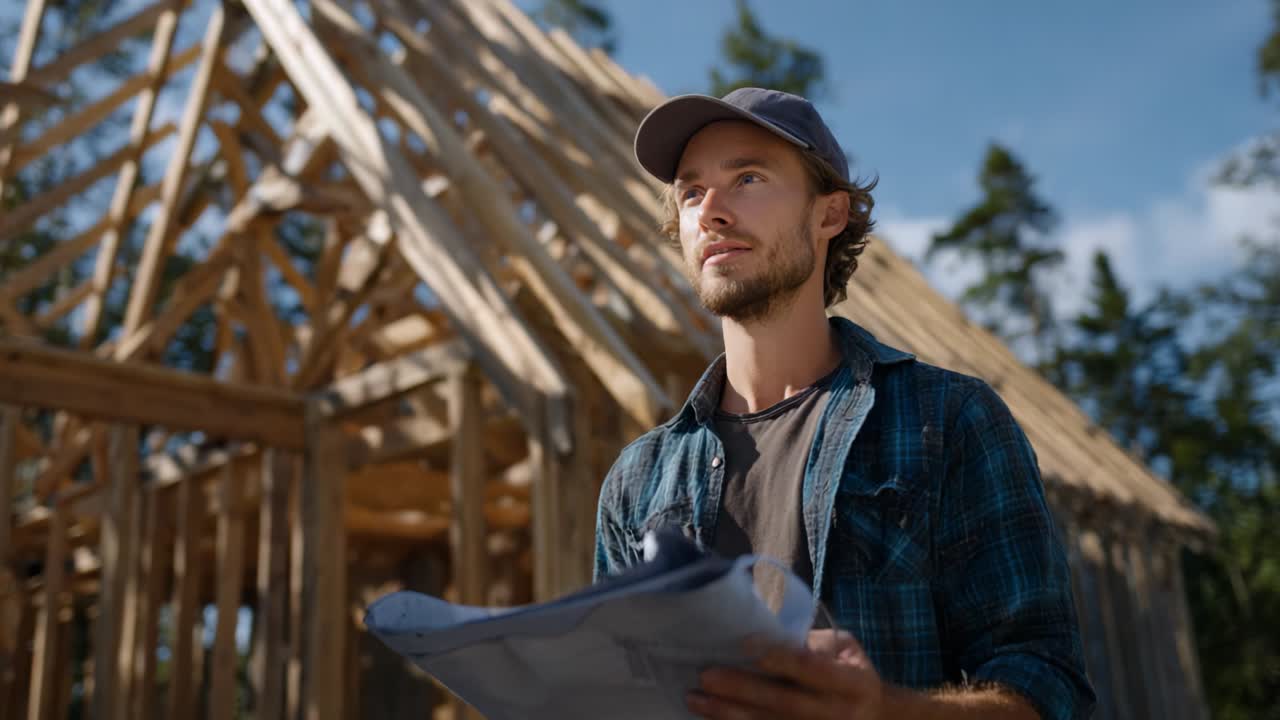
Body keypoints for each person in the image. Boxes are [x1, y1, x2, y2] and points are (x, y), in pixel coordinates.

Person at [592, 87, 1096, 720]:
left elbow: (1047, 687)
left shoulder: (949, 420)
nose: (711, 211)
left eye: (747, 178)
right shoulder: (636, 484)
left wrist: (884, 711)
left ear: (829, 214)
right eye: (691, 192)